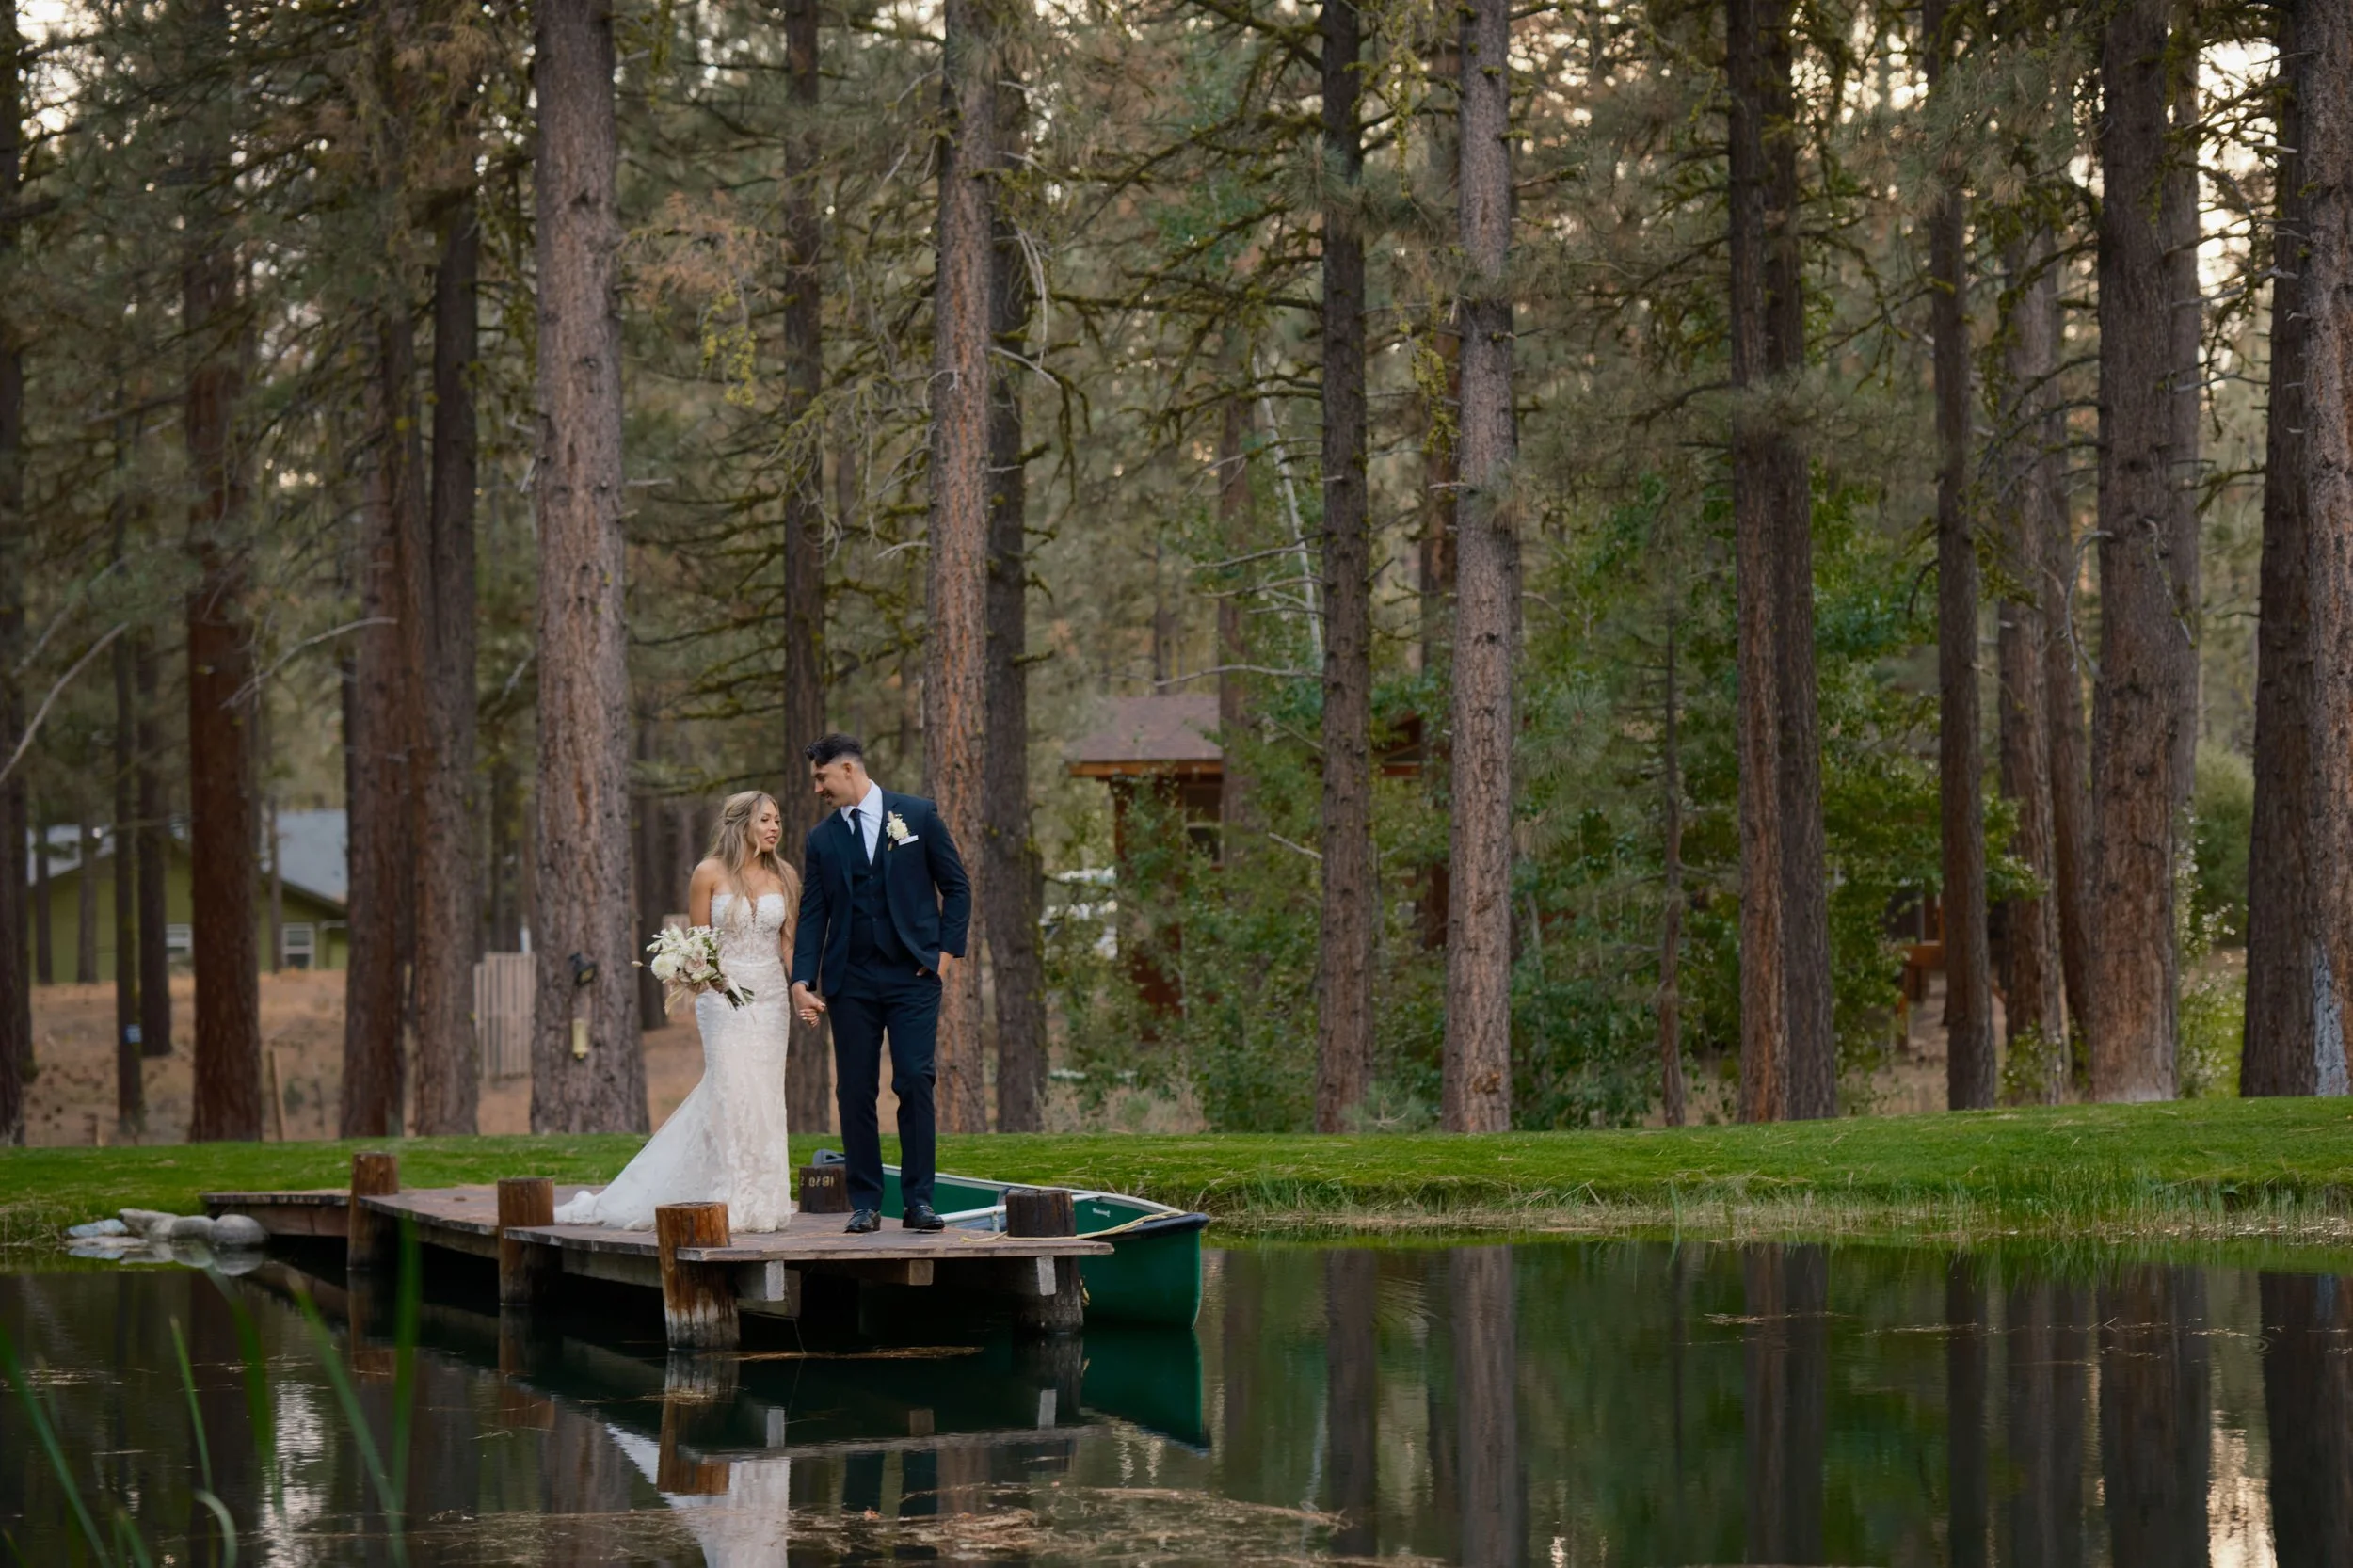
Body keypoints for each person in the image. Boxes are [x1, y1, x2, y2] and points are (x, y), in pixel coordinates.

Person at [553, 792, 800, 1231]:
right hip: (722, 1000)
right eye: (765, 819)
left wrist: (801, 988)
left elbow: (787, 943)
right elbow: (700, 943)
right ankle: (729, 1197)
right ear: (741, 823)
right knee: (730, 1091)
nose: (774, 828)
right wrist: (708, 977)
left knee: (764, 1096)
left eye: (777, 820)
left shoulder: (783, 875)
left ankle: (763, 1201)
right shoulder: (708, 873)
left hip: (770, 999)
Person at [789, 733, 970, 1234]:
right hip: (851, 979)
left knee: (914, 1079)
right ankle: (866, 1202)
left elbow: (956, 887)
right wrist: (802, 978)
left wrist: (945, 958)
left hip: (913, 976)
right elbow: (813, 914)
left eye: (821, 777)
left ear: (848, 769)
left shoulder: (917, 815)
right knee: (854, 1090)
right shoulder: (821, 839)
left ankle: (920, 1201)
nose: (818, 788)